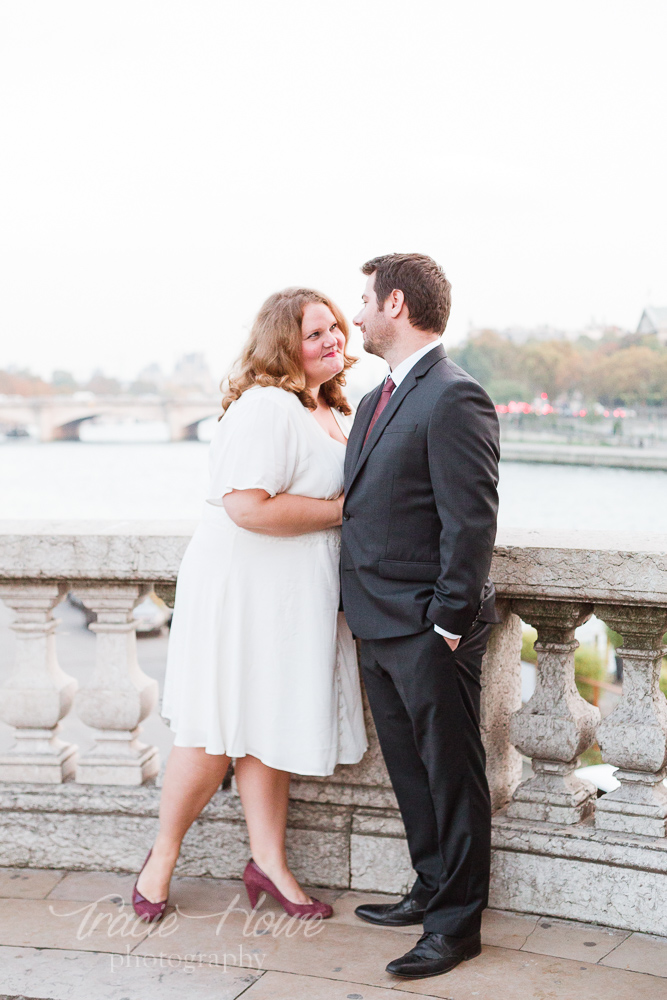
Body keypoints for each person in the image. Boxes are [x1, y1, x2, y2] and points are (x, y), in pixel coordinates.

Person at [132, 287, 368, 923]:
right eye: (315, 333)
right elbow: (246, 507)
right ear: (281, 344)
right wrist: (352, 510)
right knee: (215, 731)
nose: (333, 341)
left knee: (267, 726)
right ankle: (161, 858)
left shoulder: (329, 409)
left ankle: (269, 867)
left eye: (336, 329)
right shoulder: (267, 406)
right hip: (245, 590)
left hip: (294, 594)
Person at [341, 253, 500, 979]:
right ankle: (429, 886)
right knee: (409, 772)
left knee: (450, 776)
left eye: (364, 300)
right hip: (375, 621)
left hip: (425, 628)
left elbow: (469, 524)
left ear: (395, 303)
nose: (356, 314)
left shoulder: (454, 396)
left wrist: (445, 623)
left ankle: (455, 926)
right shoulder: (377, 398)